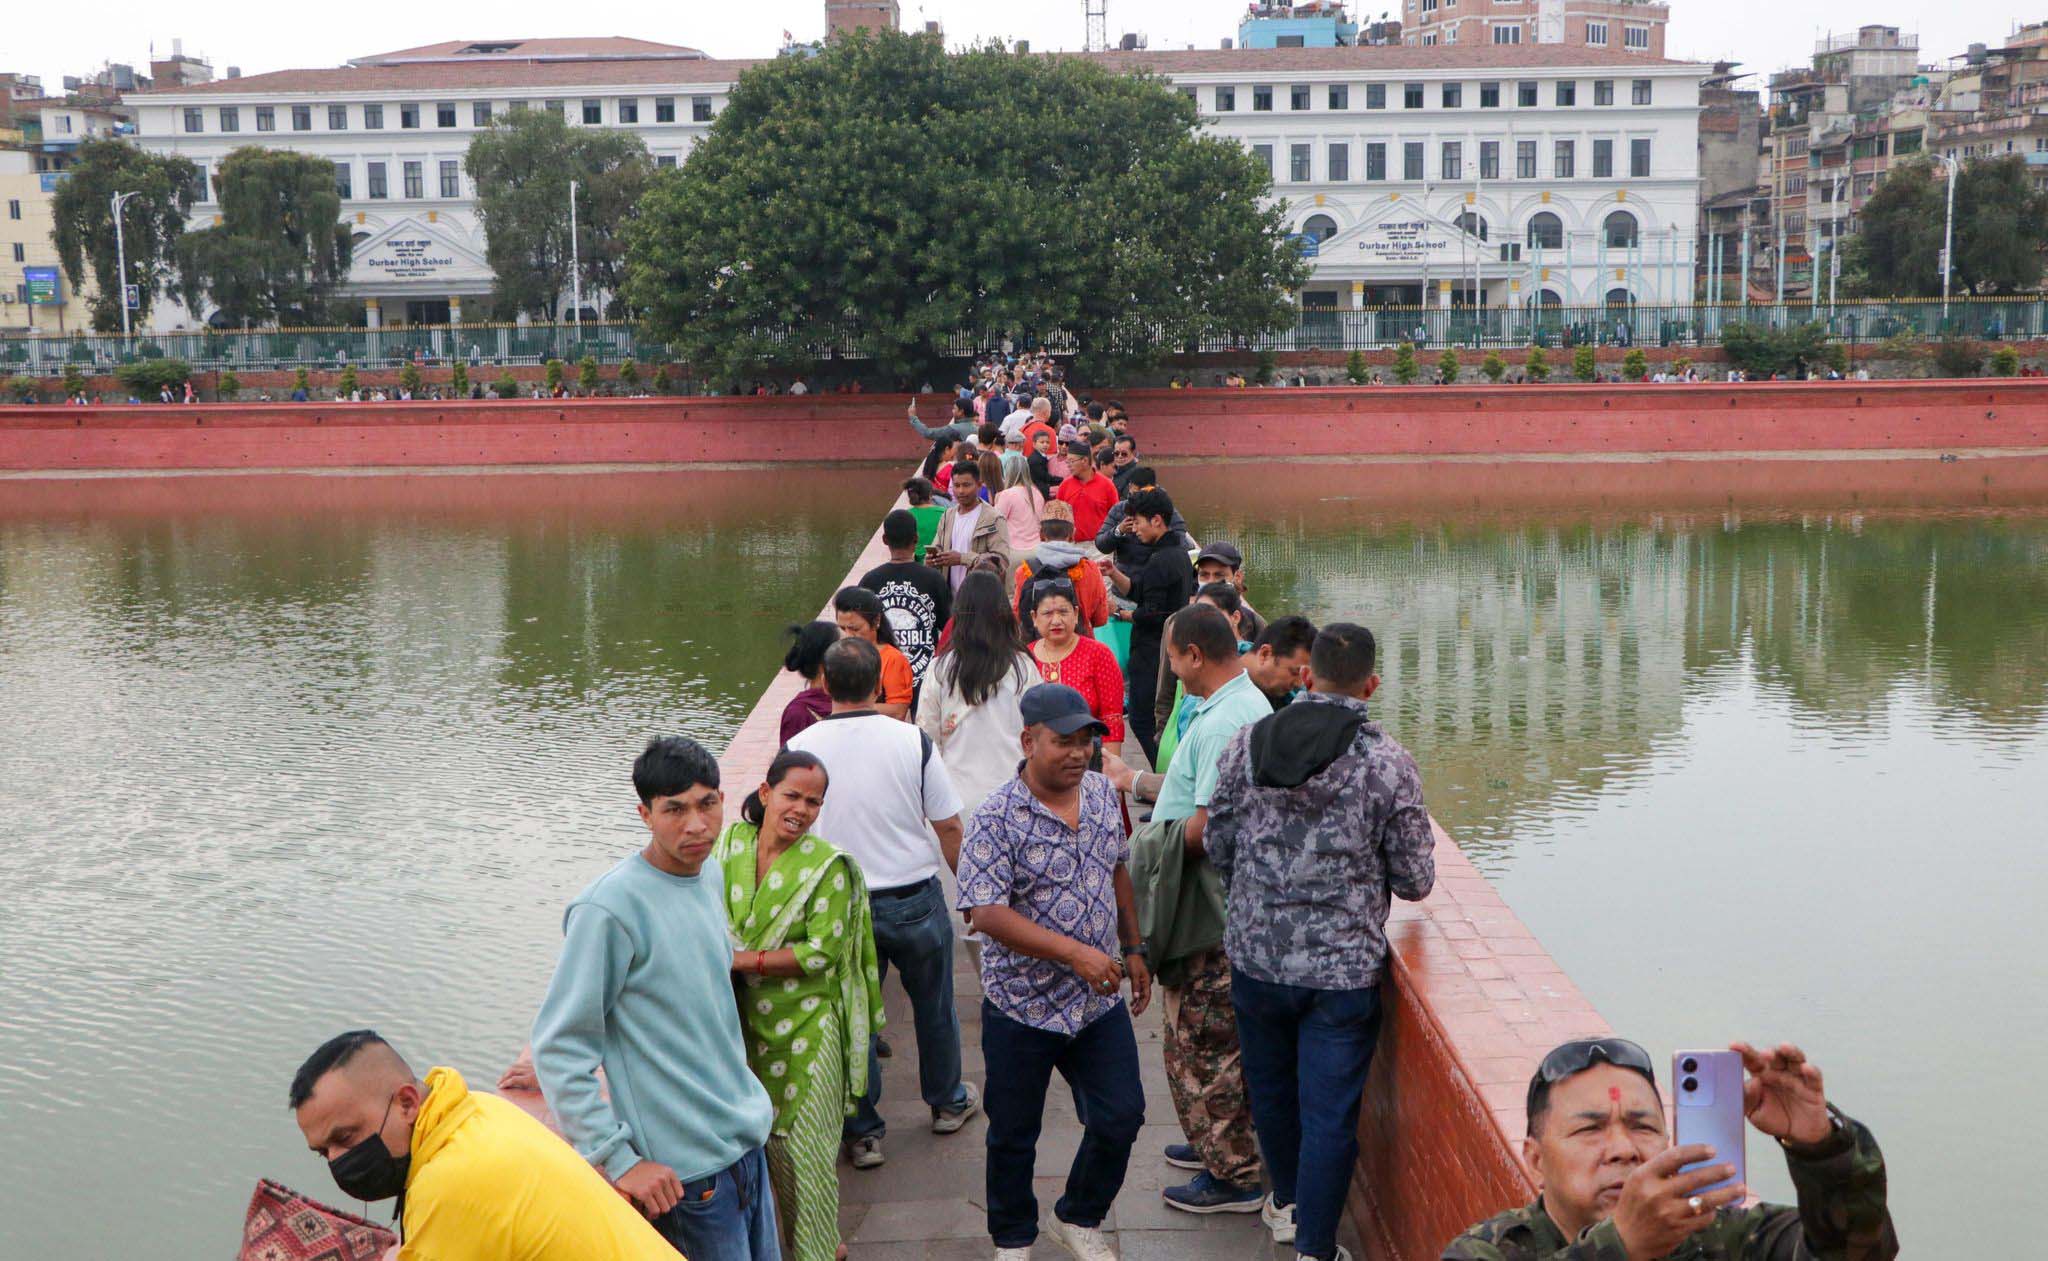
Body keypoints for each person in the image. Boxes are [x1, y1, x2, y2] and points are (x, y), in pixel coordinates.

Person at [1206, 623, 1436, 1258]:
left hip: (1256, 958)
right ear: (1372, 684)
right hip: (1341, 974)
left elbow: (1218, 843)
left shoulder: (1247, 744)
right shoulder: (1388, 763)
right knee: (1330, 1114)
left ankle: (1285, 1204)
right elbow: (1416, 880)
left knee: (1272, 1093)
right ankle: (1314, 1247)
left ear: (1307, 676)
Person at [529, 736, 779, 1261]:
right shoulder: (609, 910)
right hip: (685, 1179)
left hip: (744, 1144)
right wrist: (617, 1159)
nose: (695, 825)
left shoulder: (707, 873)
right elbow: (559, 1048)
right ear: (645, 814)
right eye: (675, 810)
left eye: (708, 803)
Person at [958, 683, 1151, 1261]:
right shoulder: (995, 817)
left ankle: (1078, 1215)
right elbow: (985, 911)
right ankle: (1013, 1238)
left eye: (1087, 742)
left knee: (1122, 1114)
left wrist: (1133, 948)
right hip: (1023, 1004)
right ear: (1029, 741)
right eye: (1063, 742)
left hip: (1096, 1002)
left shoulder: (1097, 794)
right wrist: (1073, 953)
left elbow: (1117, 867)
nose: (1078, 754)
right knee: (1014, 1132)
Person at [1103, 605, 1274, 1216]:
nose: (1170, 669)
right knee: (1197, 1038)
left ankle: (1235, 1172)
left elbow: (1207, 825)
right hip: (1209, 900)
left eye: (1172, 658)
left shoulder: (1229, 718)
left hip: (1208, 907)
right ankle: (1214, 1142)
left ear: (1194, 655)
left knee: (1205, 1042)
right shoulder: (1229, 708)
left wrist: (1150, 846)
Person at [788, 639, 980, 1170]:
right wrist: (971, 893)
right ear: (879, 685)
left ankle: (864, 1131)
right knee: (934, 1006)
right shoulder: (912, 742)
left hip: (840, 904)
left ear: (825, 683)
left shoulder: (801, 749)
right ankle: (946, 1102)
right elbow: (948, 826)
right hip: (915, 896)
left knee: (856, 1020)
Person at [1442, 1038, 1898, 1261]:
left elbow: (1856, 1253)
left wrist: (1821, 1149)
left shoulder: (1722, 1238)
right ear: (1536, 1160)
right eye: (1590, 1130)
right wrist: (1621, 1248)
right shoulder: (1489, 1252)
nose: (1623, 1149)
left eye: (1642, 1127)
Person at [291, 1030, 674, 1260]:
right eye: (325, 1151)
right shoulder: (477, 1111)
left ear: (407, 1103)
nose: (339, 1161)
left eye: (346, 1138)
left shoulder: (449, 1184)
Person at [714, 751, 883, 1261]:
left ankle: (819, 1251)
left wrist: (744, 961)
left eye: (814, 802)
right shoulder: (730, 844)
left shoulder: (828, 867)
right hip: (743, 1027)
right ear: (765, 794)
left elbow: (821, 953)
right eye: (792, 796)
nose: (801, 810)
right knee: (754, 1149)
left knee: (803, 1156)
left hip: (809, 1027)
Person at [916, 571, 1038, 818]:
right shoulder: (1023, 667)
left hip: (955, 801)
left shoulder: (940, 669)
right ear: (1003, 613)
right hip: (1014, 796)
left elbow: (928, 738)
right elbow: (1040, 730)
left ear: (959, 614)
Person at [1104, 487, 1195, 765]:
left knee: (1143, 720)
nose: (1135, 530)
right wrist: (1113, 573)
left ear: (1157, 520)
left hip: (1152, 652)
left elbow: (1153, 613)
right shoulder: (1173, 553)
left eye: (1139, 522)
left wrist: (1119, 613)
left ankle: (1164, 783)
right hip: (1164, 649)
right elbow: (1140, 591)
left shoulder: (1162, 561)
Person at [1024, 577, 1125, 757]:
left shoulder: (1098, 654)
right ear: (1034, 617)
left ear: (1076, 614)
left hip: (1086, 758)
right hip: (1038, 765)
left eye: (1063, 612)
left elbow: (1112, 718)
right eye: (1047, 613)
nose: (1056, 620)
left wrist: (1112, 771)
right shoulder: (1024, 658)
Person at [860, 510, 952, 688]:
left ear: (885, 540)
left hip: (882, 679)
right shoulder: (933, 579)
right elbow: (948, 625)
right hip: (925, 680)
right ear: (916, 539)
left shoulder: (870, 581)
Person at [1011, 504, 1110, 638]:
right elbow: (1100, 619)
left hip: (1039, 650)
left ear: (1041, 534)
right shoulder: (1090, 569)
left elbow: (1018, 616)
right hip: (1080, 648)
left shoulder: (1024, 571)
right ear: (1072, 534)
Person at [927, 460, 1013, 594]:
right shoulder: (947, 515)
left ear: (979, 485)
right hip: (949, 598)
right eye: (957, 485)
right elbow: (938, 546)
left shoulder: (994, 518)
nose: (961, 491)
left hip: (980, 596)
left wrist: (963, 558)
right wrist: (933, 559)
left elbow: (1001, 561)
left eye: (966, 485)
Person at [832, 586, 914, 720]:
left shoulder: (893, 659)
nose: (848, 635)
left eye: (855, 628)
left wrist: (848, 707)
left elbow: (898, 711)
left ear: (876, 621)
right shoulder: (837, 655)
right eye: (842, 628)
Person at [780, 621, 840, 746]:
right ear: (823, 665)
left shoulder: (855, 698)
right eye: (845, 650)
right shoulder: (798, 713)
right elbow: (790, 762)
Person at [1244, 615, 1318, 709]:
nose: (1298, 683)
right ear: (1265, 654)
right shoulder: (1224, 687)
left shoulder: (1296, 698)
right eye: (1294, 672)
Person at [1194, 543, 1265, 640]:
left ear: (1238, 577)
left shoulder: (1255, 623)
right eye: (1204, 575)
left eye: (1219, 575)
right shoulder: (1178, 622)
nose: (1210, 581)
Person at [1055, 443, 1119, 543]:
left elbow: (1116, 517)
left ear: (1084, 460)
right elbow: (1057, 517)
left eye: (1071, 461)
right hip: (1070, 546)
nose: (1068, 465)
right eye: (1068, 461)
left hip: (1099, 547)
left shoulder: (1107, 485)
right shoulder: (1064, 486)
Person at [992, 457, 1047, 555]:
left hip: (1014, 550)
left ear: (1008, 472)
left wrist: (996, 502)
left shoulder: (1007, 494)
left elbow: (996, 523)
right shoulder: (1038, 493)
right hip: (1037, 549)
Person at [901, 477, 947, 556]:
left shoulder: (904, 516)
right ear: (930, 495)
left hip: (913, 564)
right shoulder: (946, 513)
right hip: (938, 561)